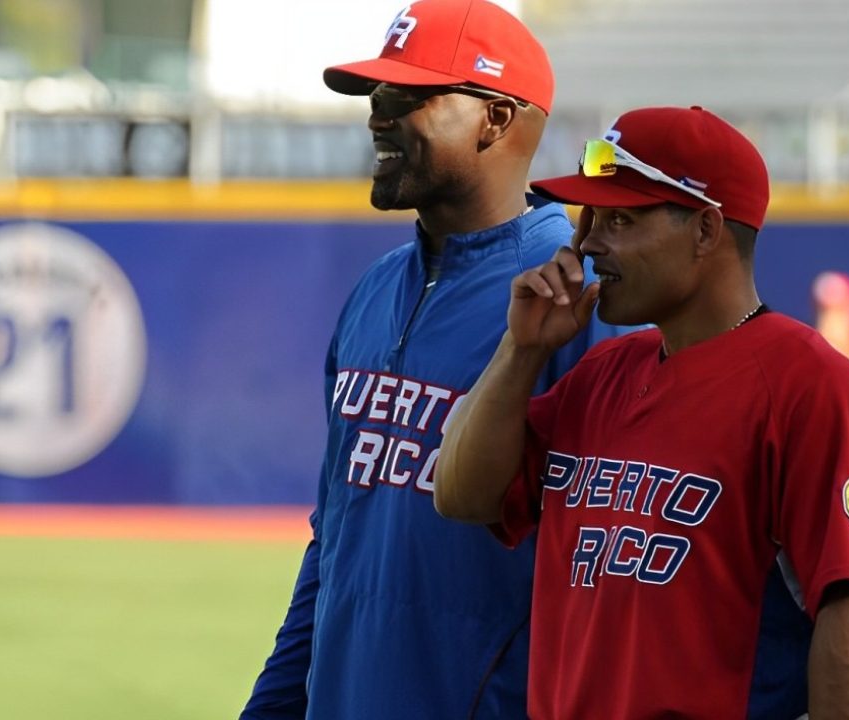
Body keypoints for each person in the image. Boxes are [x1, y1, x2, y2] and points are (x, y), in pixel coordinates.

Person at [434, 105, 849, 719]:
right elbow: (461, 495)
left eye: (619, 219)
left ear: (704, 231)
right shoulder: (602, 374)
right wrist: (522, 349)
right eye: (590, 217)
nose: (589, 242)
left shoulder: (813, 387)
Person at [241, 1, 621, 718]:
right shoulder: (376, 288)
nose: (378, 116)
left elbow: (614, 577)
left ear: (497, 119)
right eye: (377, 97)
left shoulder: (579, 300)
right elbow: (334, 544)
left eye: (407, 97)